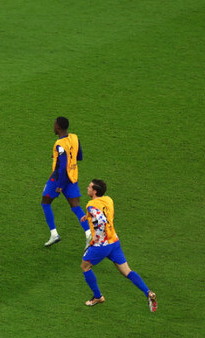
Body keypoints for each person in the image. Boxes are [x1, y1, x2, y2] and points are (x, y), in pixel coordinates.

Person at [80, 179, 157, 311]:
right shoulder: (108, 200)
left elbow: (102, 220)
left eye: (90, 187)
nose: (87, 188)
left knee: (85, 266)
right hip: (114, 242)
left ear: (95, 191)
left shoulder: (91, 205)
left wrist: (95, 240)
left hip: (101, 245)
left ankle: (98, 296)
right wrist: (88, 217)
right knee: (127, 271)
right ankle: (148, 292)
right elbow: (106, 214)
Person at [42, 116, 90, 246]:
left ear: (58, 127)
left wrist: (60, 186)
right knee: (75, 206)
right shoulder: (74, 137)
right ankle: (89, 233)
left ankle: (54, 234)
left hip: (59, 177)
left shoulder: (60, 144)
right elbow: (79, 155)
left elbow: (62, 166)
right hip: (73, 176)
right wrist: (58, 156)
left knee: (45, 202)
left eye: (54, 124)